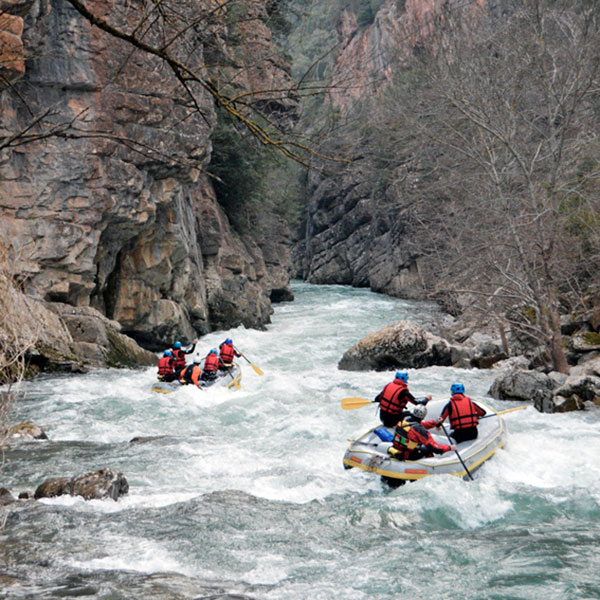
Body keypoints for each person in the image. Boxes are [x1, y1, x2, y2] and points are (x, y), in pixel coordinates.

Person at [388, 405, 455, 461]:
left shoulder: (403, 421)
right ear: (423, 416)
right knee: (428, 449)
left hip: (396, 448)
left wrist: (435, 422)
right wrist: (449, 448)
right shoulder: (419, 429)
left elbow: (420, 425)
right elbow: (434, 447)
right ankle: (431, 467)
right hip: (408, 454)